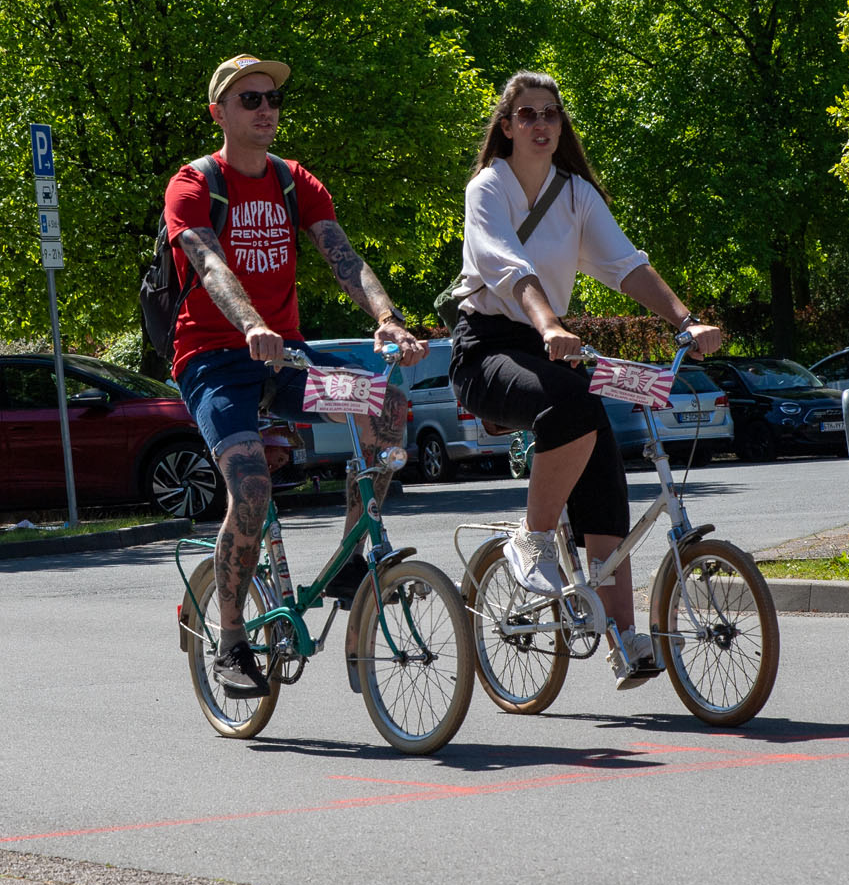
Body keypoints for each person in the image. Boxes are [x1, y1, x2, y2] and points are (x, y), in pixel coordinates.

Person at [166, 52, 427, 698]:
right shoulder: (193, 184)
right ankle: (231, 642)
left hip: (285, 357)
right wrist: (252, 323)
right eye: (250, 99)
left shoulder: (294, 181)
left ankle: (351, 563)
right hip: (213, 361)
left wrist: (388, 318)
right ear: (219, 112)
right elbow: (210, 265)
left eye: (273, 100)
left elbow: (344, 257)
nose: (266, 109)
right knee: (250, 484)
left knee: (388, 406)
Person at [448, 70, 722, 681]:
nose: (542, 125)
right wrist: (547, 324)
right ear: (507, 126)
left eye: (552, 114)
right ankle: (534, 536)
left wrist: (687, 322)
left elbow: (625, 265)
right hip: (487, 347)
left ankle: (625, 637)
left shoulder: (575, 194)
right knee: (571, 409)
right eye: (528, 115)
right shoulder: (487, 188)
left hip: (551, 347)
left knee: (603, 459)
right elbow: (506, 268)